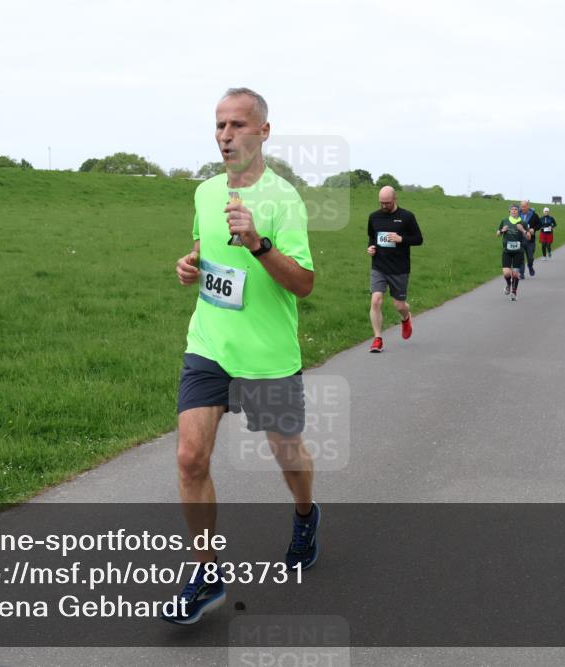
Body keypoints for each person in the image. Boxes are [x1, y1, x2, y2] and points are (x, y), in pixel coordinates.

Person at [170, 87, 318, 624]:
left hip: (267, 356)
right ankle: (206, 573)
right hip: (209, 345)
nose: (225, 136)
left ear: (263, 132)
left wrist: (258, 243)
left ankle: (305, 515)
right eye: (219, 125)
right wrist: (190, 266)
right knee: (190, 457)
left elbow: (303, 284)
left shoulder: (285, 200)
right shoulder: (206, 192)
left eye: (236, 126)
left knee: (289, 456)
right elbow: (203, 251)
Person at [366, 186, 423, 352]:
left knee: (399, 305)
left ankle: (406, 318)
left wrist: (401, 238)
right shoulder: (374, 217)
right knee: (376, 300)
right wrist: (370, 247)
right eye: (381, 203)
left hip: (399, 268)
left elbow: (418, 239)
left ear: (395, 199)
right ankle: (377, 339)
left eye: (387, 203)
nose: (384, 206)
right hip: (379, 266)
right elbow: (372, 237)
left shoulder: (407, 217)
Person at [498, 205, 528, 301]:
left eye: (516, 209)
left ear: (518, 211)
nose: (514, 211)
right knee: (506, 273)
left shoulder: (523, 222)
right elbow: (497, 234)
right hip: (507, 251)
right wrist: (502, 230)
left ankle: (514, 292)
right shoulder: (504, 221)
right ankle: (508, 284)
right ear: (509, 211)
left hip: (518, 252)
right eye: (512, 209)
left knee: (515, 274)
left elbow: (529, 237)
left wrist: (522, 230)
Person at [517, 200, 540, 278]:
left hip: (530, 240)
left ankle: (530, 266)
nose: (522, 208)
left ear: (528, 206)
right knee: (520, 257)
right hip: (520, 239)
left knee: (530, 258)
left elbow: (539, 224)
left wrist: (534, 229)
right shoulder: (518, 215)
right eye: (521, 206)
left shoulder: (534, 215)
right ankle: (521, 274)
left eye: (524, 206)